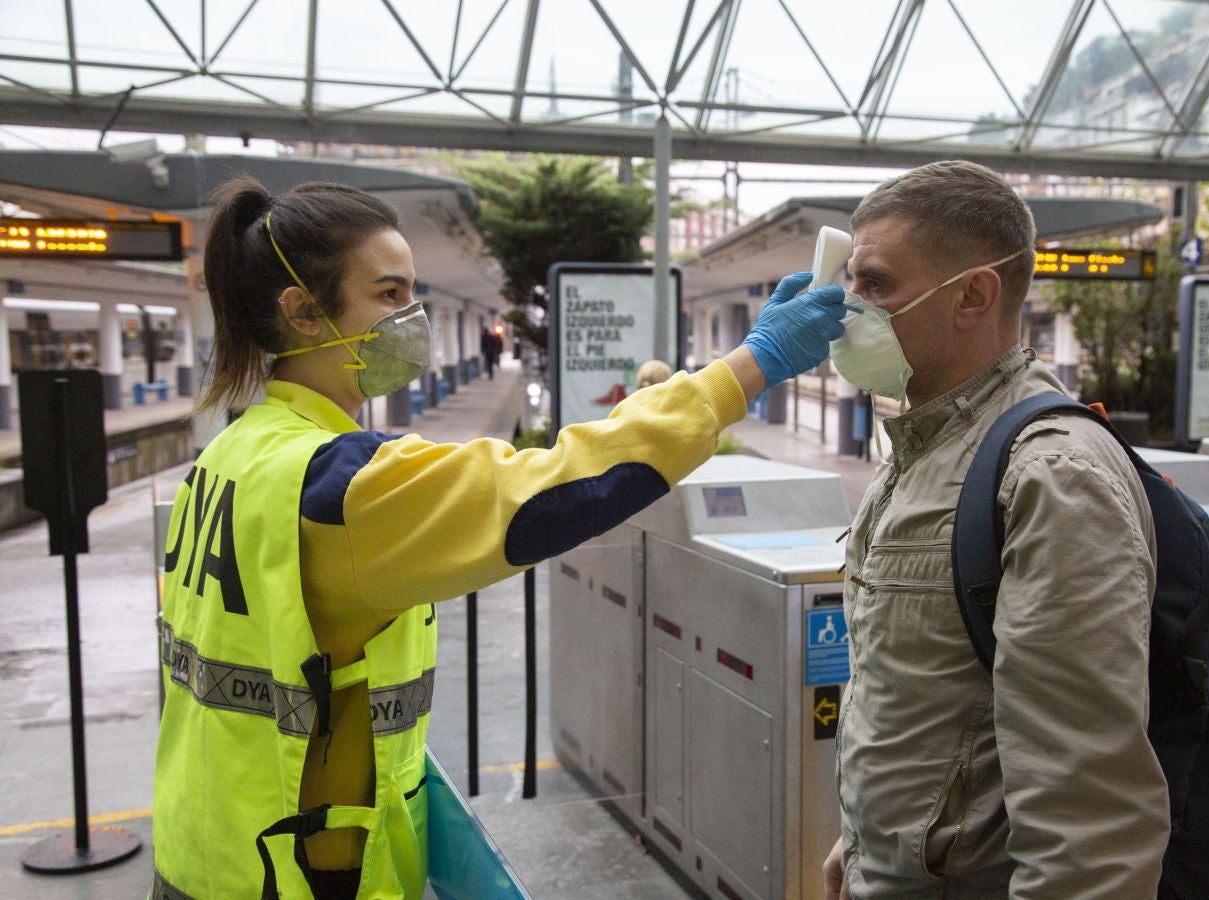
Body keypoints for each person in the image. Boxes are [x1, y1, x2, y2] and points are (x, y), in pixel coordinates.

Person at [151, 175, 845, 899]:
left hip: (206, 848)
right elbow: (554, 487)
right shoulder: (335, 484)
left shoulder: (232, 454)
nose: (410, 316)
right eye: (388, 295)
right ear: (303, 312)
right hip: (299, 874)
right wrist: (749, 366)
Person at [821, 160, 1169, 899]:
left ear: (973, 295)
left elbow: (1091, 819)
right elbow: (927, 696)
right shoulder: (925, 445)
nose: (847, 307)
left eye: (875, 284)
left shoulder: (1051, 476)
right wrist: (859, 840)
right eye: (850, 281)